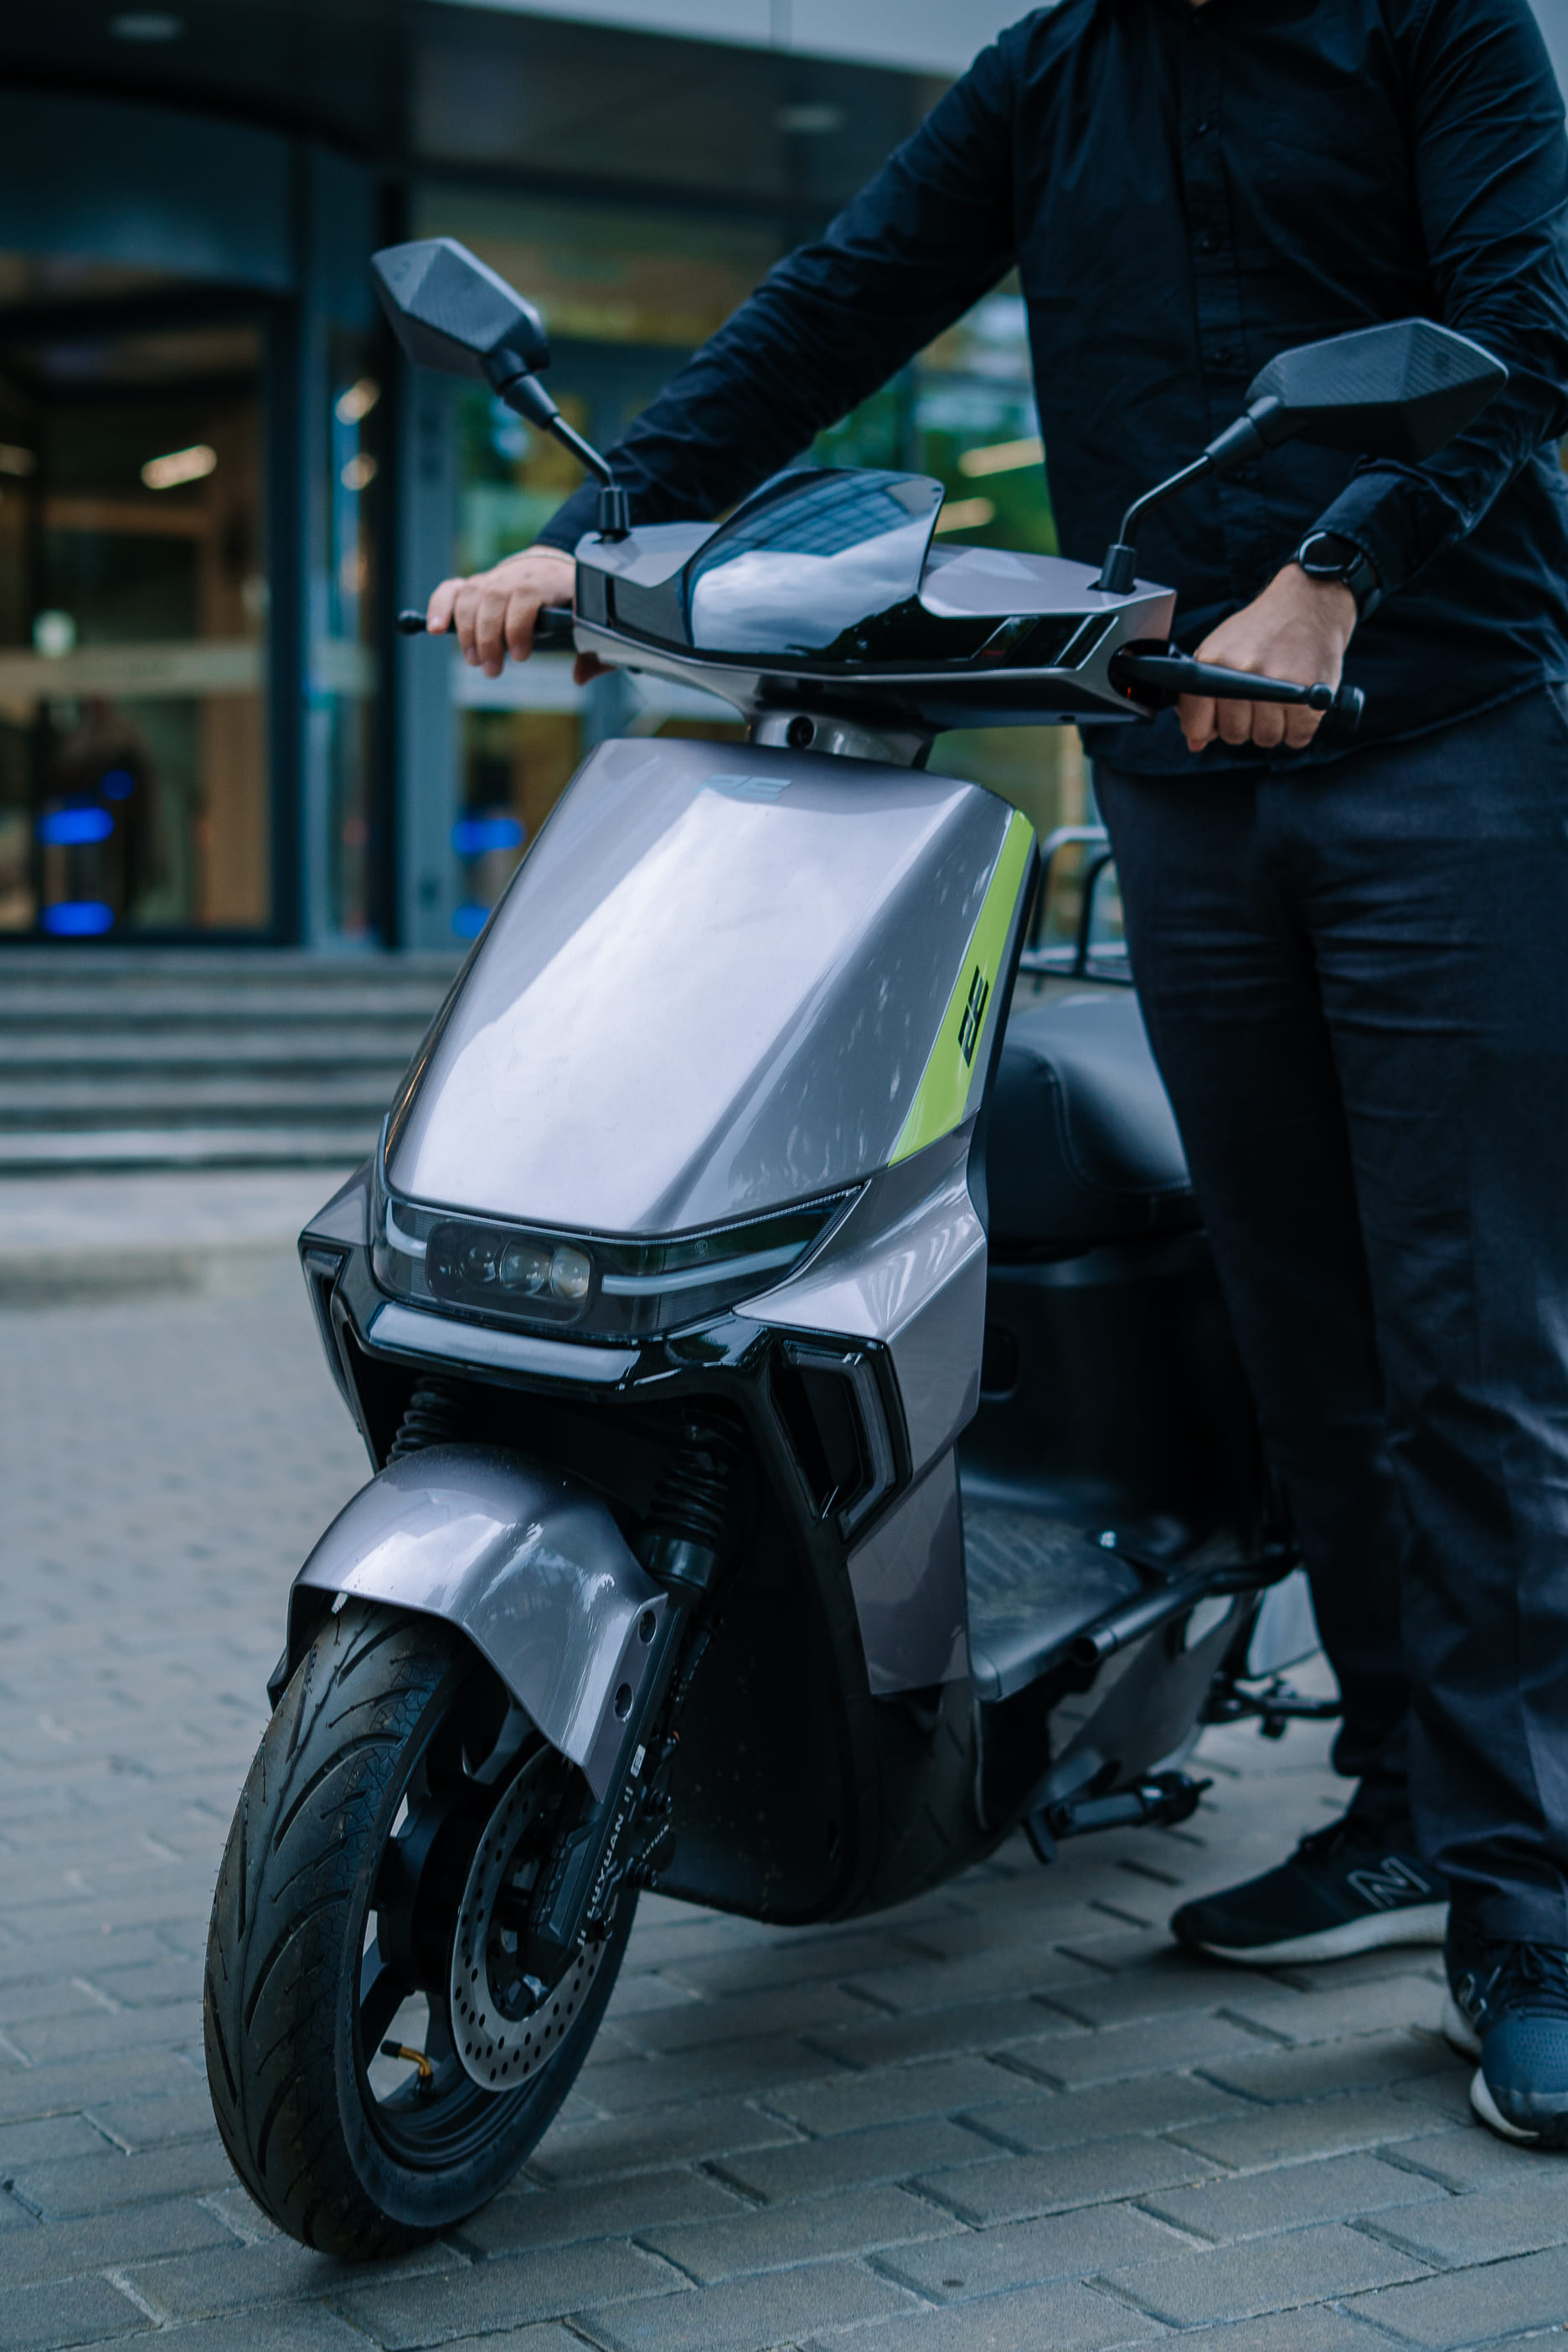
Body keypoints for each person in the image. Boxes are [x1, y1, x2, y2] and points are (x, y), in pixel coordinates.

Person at [426, 0, 1568, 2148]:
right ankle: (1412, 1810)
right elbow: (843, 295)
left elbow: (1523, 329)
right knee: (1307, 1331)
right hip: (1178, 758)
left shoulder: (1444, 22)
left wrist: (1336, 577)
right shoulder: (1055, 67)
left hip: (1443, 742)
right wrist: (600, 532)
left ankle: (1537, 1910)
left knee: (1472, 1339)